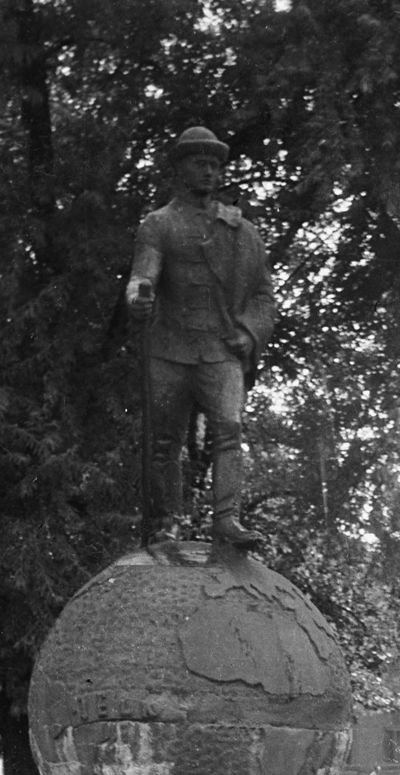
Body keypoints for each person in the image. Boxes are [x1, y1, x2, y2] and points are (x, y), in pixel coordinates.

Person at [126, 126, 276, 553]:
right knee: (163, 441)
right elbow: (142, 277)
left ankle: (227, 520)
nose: (209, 172)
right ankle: (166, 522)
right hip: (170, 350)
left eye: (215, 165)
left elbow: (264, 295)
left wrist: (249, 333)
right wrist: (138, 298)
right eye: (200, 163)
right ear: (180, 169)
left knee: (230, 428)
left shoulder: (242, 232)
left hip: (220, 349)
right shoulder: (159, 224)